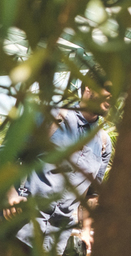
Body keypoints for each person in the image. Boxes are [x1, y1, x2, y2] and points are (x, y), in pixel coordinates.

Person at [3, 77, 113, 255]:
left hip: (56, 243)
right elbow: (6, 155)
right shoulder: (50, 118)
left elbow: (92, 194)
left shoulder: (103, 143)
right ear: (88, 88)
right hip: (20, 230)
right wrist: (10, 195)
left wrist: (86, 231)